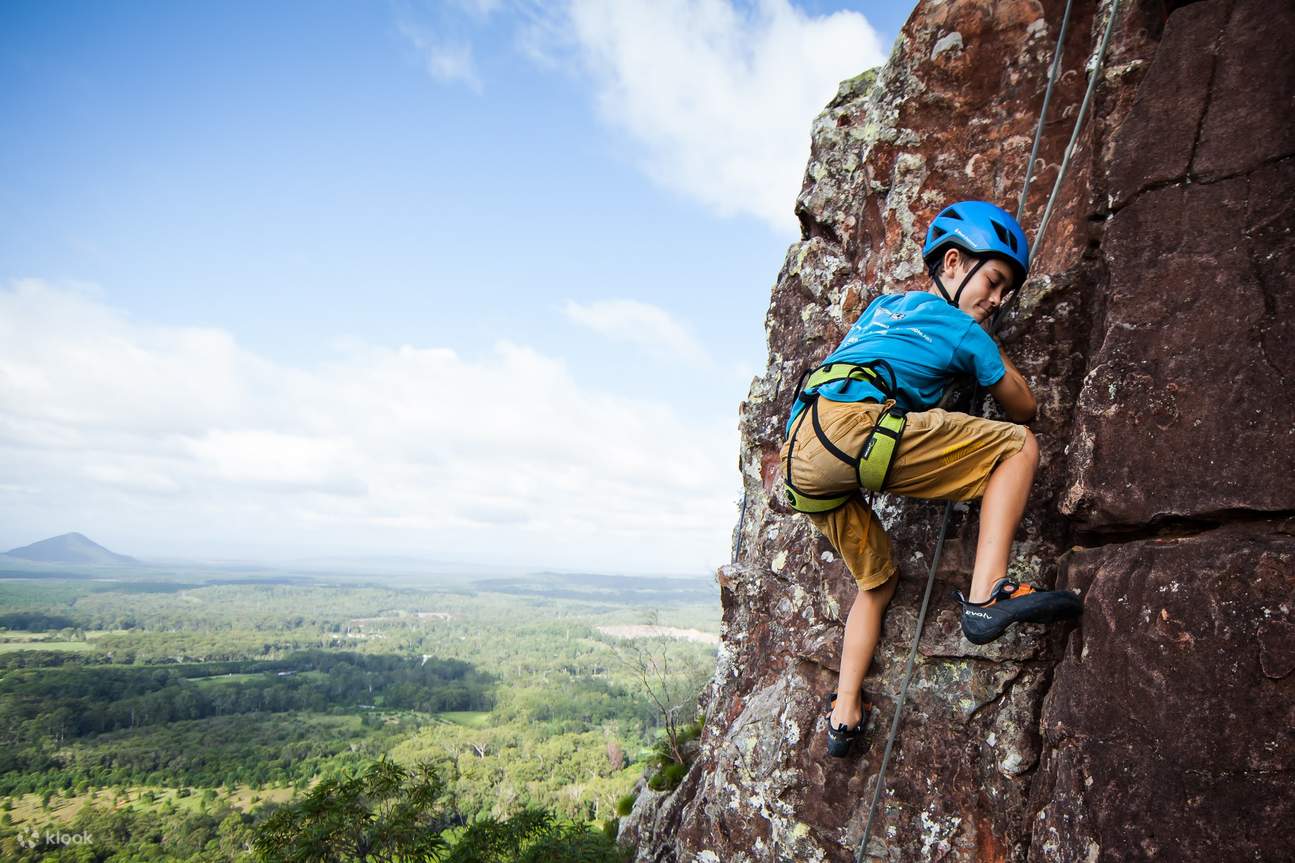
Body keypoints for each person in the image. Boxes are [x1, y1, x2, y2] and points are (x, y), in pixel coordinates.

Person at [777, 200, 1082, 758]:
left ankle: (844, 713)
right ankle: (989, 593)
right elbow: (1023, 406)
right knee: (1016, 448)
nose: (996, 301)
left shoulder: (882, 308)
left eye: (1005, 293)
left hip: (803, 454)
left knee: (876, 583)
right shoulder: (961, 327)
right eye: (992, 281)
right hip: (852, 431)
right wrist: (991, 347)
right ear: (951, 262)